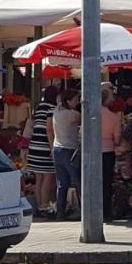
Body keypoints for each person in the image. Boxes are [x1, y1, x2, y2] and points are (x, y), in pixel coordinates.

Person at [25, 87, 58, 217]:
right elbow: (49, 130)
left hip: (34, 146)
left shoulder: (39, 107)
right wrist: (52, 148)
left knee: (39, 179)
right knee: (48, 177)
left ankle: (39, 205)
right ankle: (44, 205)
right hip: (45, 146)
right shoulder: (52, 108)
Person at [50, 89, 82, 221]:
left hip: (57, 149)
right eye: (75, 100)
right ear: (68, 101)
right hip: (69, 151)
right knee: (79, 182)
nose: (78, 102)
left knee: (62, 185)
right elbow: (82, 119)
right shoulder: (72, 114)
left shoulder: (56, 112)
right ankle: (85, 211)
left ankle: (60, 214)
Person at [100, 83, 123, 221]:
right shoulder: (114, 118)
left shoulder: (89, 112)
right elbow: (117, 139)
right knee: (106, 182)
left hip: (91, 152)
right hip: (107, 151)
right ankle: (106, 212)